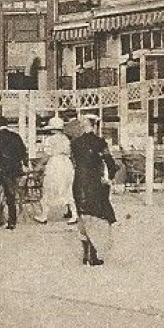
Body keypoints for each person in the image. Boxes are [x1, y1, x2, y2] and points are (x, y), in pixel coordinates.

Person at [70, 114, 119, 266]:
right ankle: (93, 254)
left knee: (82, 217)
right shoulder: (100, 143)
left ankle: (86, 254)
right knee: (95, 217)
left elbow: (74, 161)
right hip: (94, 182)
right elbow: (109, 161)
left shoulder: (75, 143)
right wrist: (110, 177)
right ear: (95, 125)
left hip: (78, 182)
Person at [32, 115, 77, 225]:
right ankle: (74, 215)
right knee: (68, 188)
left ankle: (44, 216)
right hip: (66, 164)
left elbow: (47, 155)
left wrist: (38, 166)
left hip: (55, 164)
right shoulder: (66, 139)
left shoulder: (50, 140)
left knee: (49, 188)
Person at [0, 116, 28, 230]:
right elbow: (23, 152)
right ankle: (12, 221)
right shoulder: (15, 136)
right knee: (10, 194)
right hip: (13, 169)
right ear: (7, 124)